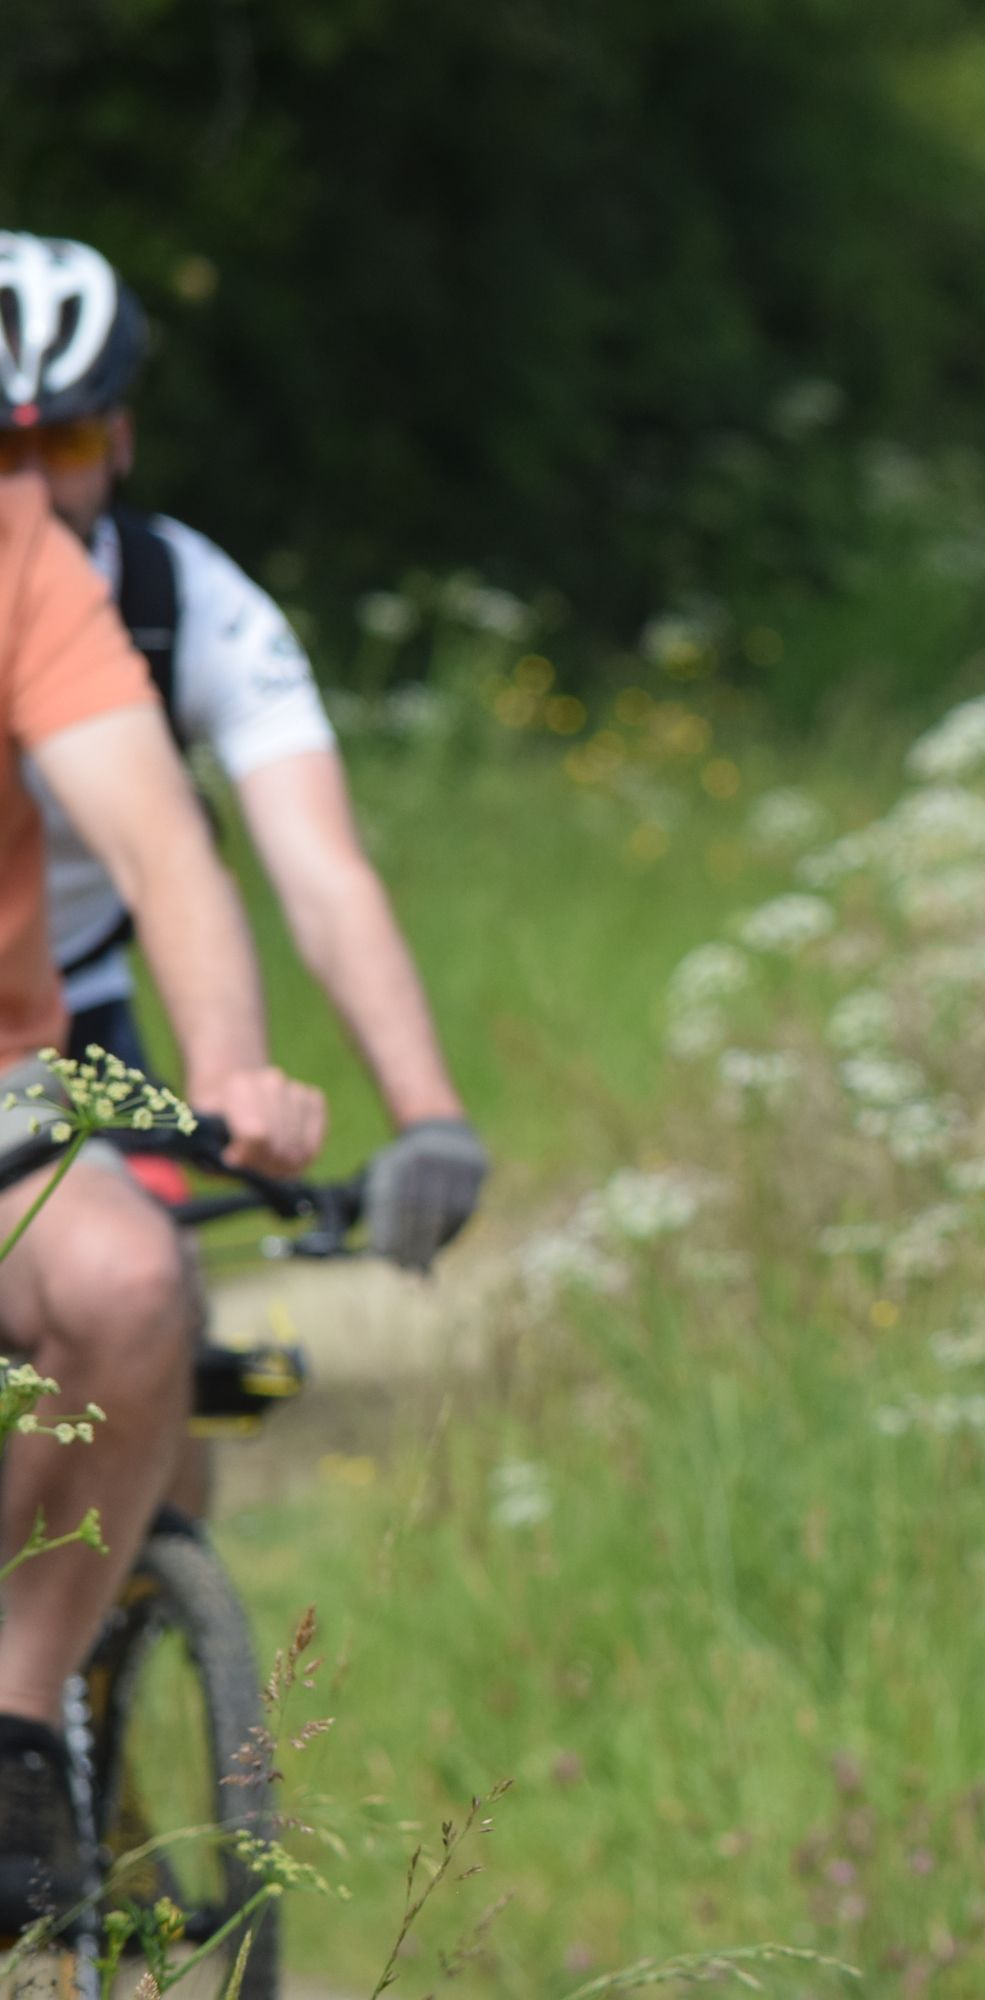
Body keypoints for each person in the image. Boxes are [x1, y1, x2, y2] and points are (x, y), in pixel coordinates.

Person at [0, 230, 485, 1272]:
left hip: (78, 996)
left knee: (138, 1287)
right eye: (2, 453)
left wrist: (428, 1115)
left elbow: (321, 874)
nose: (31, 490)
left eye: (65, 446)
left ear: (121, 440)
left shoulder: (195, 608)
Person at [0, 453, 326, 1933]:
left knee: (134, 1281)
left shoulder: (20, 554)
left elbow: (156, 835)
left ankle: (16, 1733)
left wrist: (232, 1062)